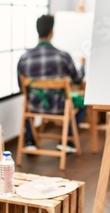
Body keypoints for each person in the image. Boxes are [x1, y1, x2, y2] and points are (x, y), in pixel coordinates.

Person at [17, 14, 86, 153]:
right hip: (58, 107)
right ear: (51, 32)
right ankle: (67, 140)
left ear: (38, 31)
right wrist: (83, 66)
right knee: (84, 103)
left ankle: (30, 140)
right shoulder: (63, 56)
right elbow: (77, 79)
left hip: (34, 106)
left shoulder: (24, 58)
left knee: (26, 101)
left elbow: (21, 87)